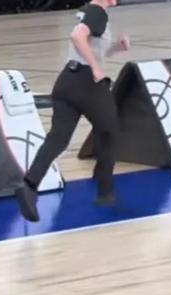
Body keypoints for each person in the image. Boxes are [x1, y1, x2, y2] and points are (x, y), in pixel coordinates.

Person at [15, 0, 129, 222]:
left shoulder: (87, 11)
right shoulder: (98, 12)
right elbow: (77, 37)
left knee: (58, 139)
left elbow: (91, 47)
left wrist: (117, 47)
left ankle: (29, 186)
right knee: (110, 131)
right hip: (86, 83)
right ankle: (105, 191)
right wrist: (96, 69)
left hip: (67, 80)